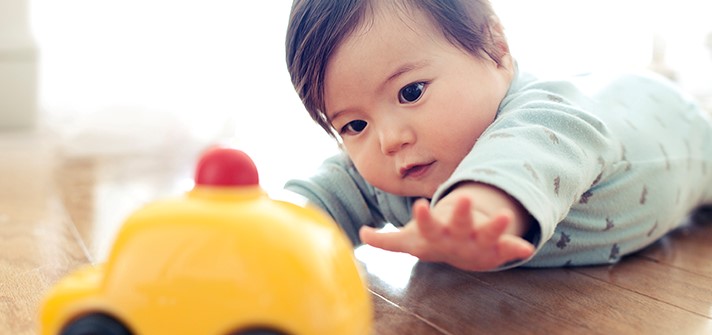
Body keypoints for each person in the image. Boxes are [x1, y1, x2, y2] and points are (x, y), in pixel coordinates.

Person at [283, 0, 712, 271]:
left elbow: (520, 157)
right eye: (354, 125)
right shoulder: (398, 164)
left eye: (410, 92)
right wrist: (273, 228)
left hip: (672, 124)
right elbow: (323, 195)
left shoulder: (546, 120)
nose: (389, 139)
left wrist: (470, 213)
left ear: (495, 45)